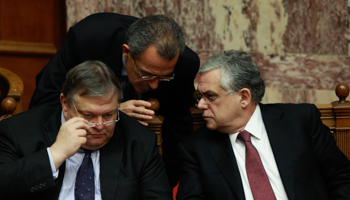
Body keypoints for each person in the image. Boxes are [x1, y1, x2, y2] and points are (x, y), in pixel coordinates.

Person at [29, 13, 200, 187]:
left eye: (164, 77)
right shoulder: (88, 40)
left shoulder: (185, 64)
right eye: (146, 74)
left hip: (137, 160)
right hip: (75, 152)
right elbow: (44, 101)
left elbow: (178, 132)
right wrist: (110, 112)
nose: (155, 85)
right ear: (126, 52)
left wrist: (160, 185)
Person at [176, 50, 350, 199]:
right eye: (200, 97)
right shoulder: (195, 148)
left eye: (211, 97)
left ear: (244, 97)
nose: (200, 106)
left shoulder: (300, 121)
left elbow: (342, 178)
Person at [0, 61, 172, 200]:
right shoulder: (19, 131)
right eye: (88, 115)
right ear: (65, 104)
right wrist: (54, 154)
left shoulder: (139, 141)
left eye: (108, 114)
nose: (99, 125)